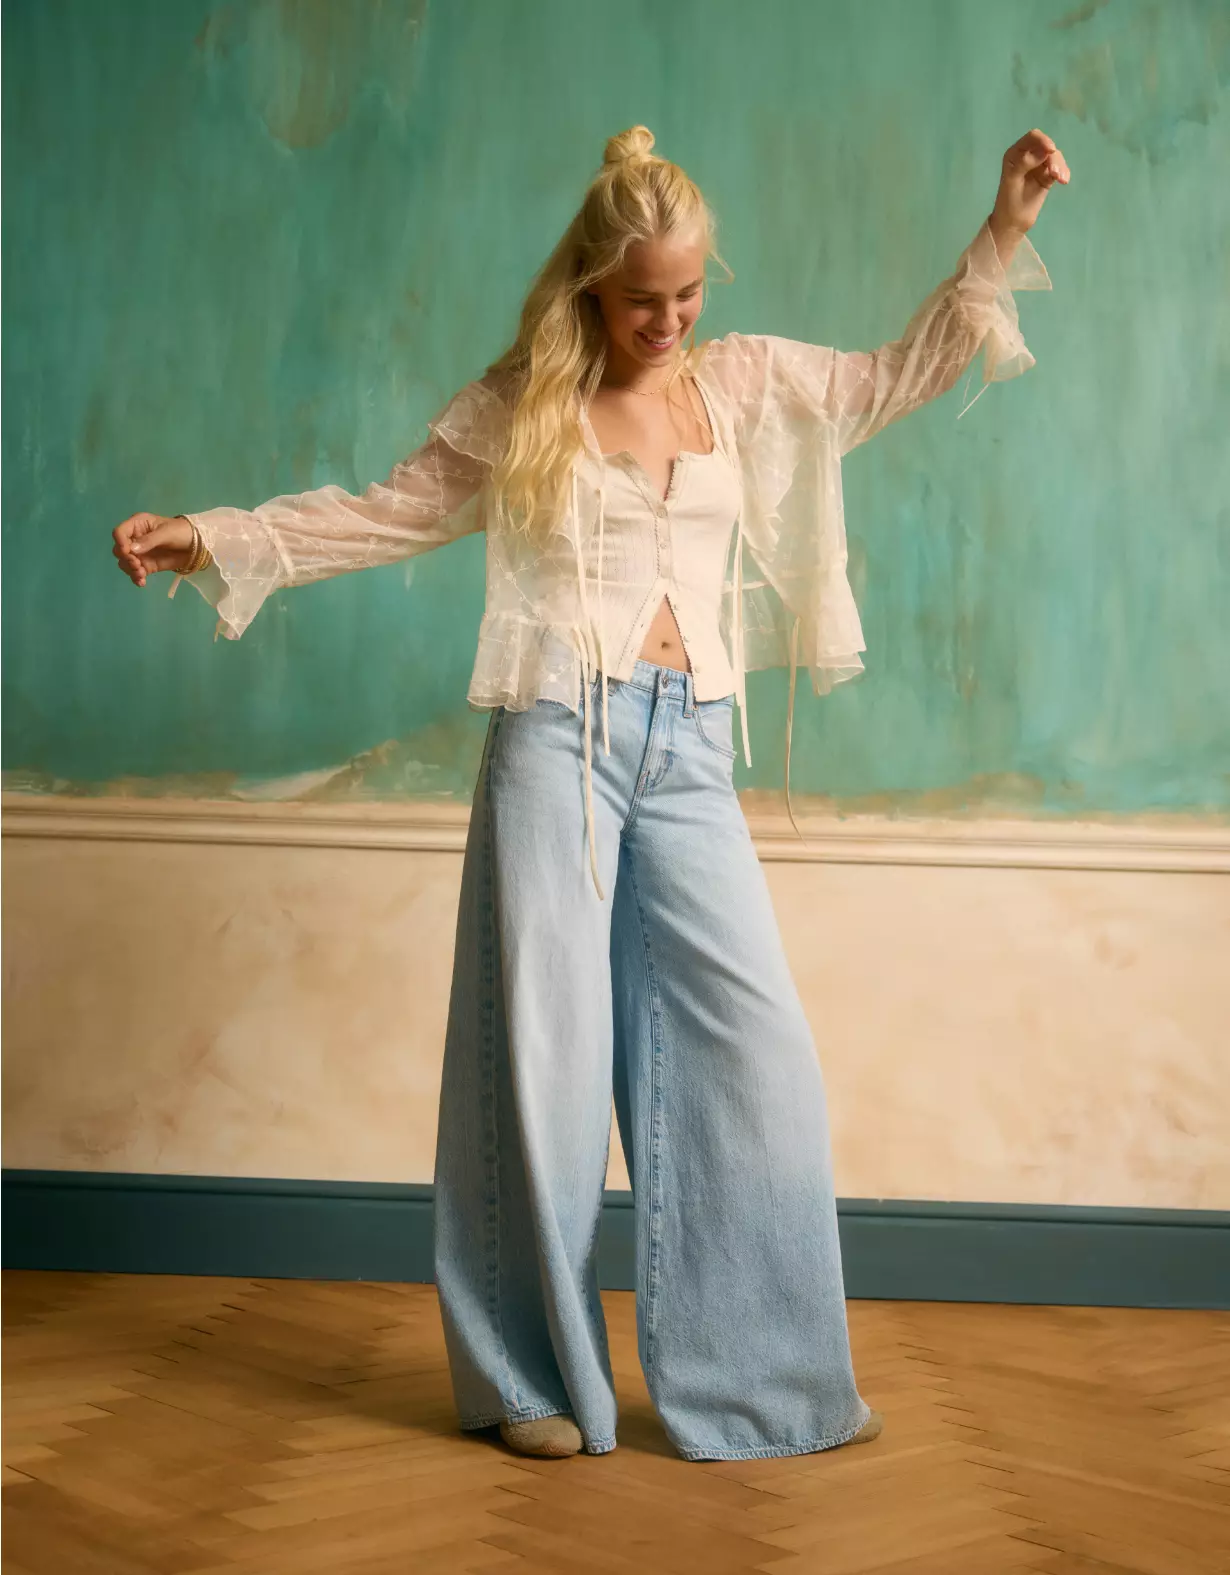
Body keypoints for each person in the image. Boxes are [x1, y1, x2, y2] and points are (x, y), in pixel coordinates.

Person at [113, 123, 1069, 1462]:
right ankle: (528, 1382)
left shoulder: (741, 383)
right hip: (556, 738)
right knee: (544, 1062)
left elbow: (891, 376)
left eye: (687, 294)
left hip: (691, 749)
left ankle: (762, 1382)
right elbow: (385, 513)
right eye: (640, 301)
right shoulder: (525, 405)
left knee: (757, 1056)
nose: (667, 322)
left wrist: (1005, 226)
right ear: (590, 288)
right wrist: (212, 535)